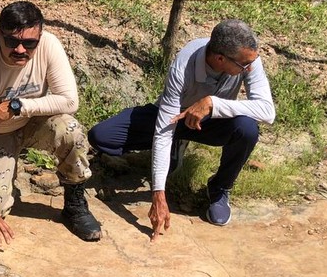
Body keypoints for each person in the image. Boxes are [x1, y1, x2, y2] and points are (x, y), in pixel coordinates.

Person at [88, 19, 275, 236]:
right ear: (220, 58)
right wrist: (158, 193)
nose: (249, 68)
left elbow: (267, 112)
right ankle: (178, 143)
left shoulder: (248, 58)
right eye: (244, 65)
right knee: (101, 136)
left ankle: (219, 188)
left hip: (212, 120)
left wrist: (212, 103)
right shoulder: (184, 64)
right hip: (174, 117)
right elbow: (164, 129)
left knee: (247, 129)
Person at [0, 1, 101, 246]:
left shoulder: (49, 46)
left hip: (35, 122)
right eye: (12, 42)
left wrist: (17, 106)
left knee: (70, 130)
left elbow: (69, 101)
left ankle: (75, 202)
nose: (21, 50)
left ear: (40, 36)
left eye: (29, 43)